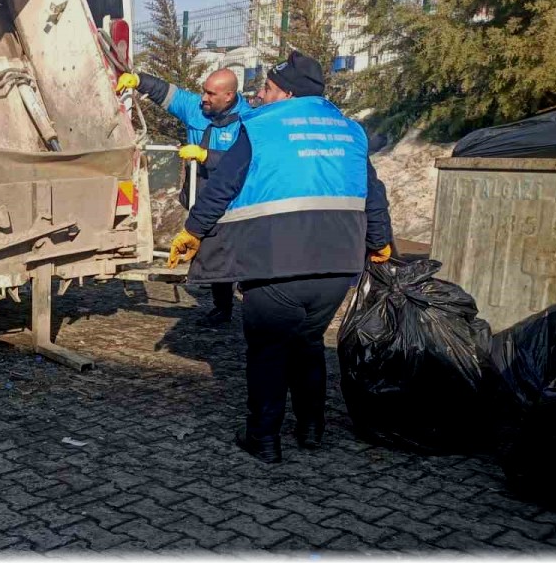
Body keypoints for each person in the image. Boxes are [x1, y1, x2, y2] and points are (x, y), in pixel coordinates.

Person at [166, 50, 393, 464]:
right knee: (307, 342)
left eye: (267, 87)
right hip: (339, 264)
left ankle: (264, 439)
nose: (260, 94)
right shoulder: (350, 131)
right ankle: (311, 430)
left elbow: (223, 186)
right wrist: (380, 243)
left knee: (268, 351)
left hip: (277, 261)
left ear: (287, 92)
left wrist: (192, 231)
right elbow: (373, 195)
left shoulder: (261, 128)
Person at [115, 68, 250, 327]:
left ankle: (245, 300)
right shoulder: (196, 108)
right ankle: (222, 307)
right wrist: (139, 80)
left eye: (211, 93)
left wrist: (206, 156)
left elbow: (246, 164)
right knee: (211, 252)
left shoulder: (248, 121)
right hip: (200, 197)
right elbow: (167, 93)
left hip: (234, 200)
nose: (204, 98)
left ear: (229, 95)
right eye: (203, 91)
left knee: (231, 253)